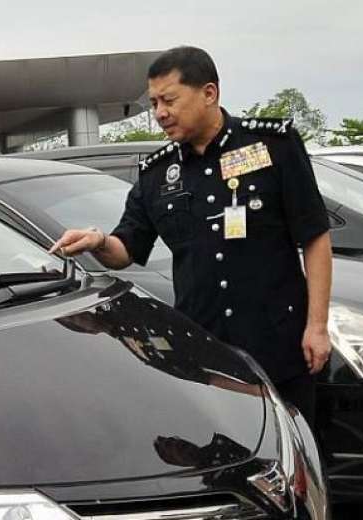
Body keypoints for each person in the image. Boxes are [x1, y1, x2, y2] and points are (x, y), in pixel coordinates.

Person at [49, 46, 332, 426]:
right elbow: (126, 249)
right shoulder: (157, 174)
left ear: (209, 93)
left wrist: (316, 326)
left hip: (277, 346)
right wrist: (99, 241)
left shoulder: (270, 148)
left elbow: (314, 237)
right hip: (206, 352)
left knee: (296, 458)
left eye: (169, 100)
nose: (160, 113)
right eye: (153, 103)